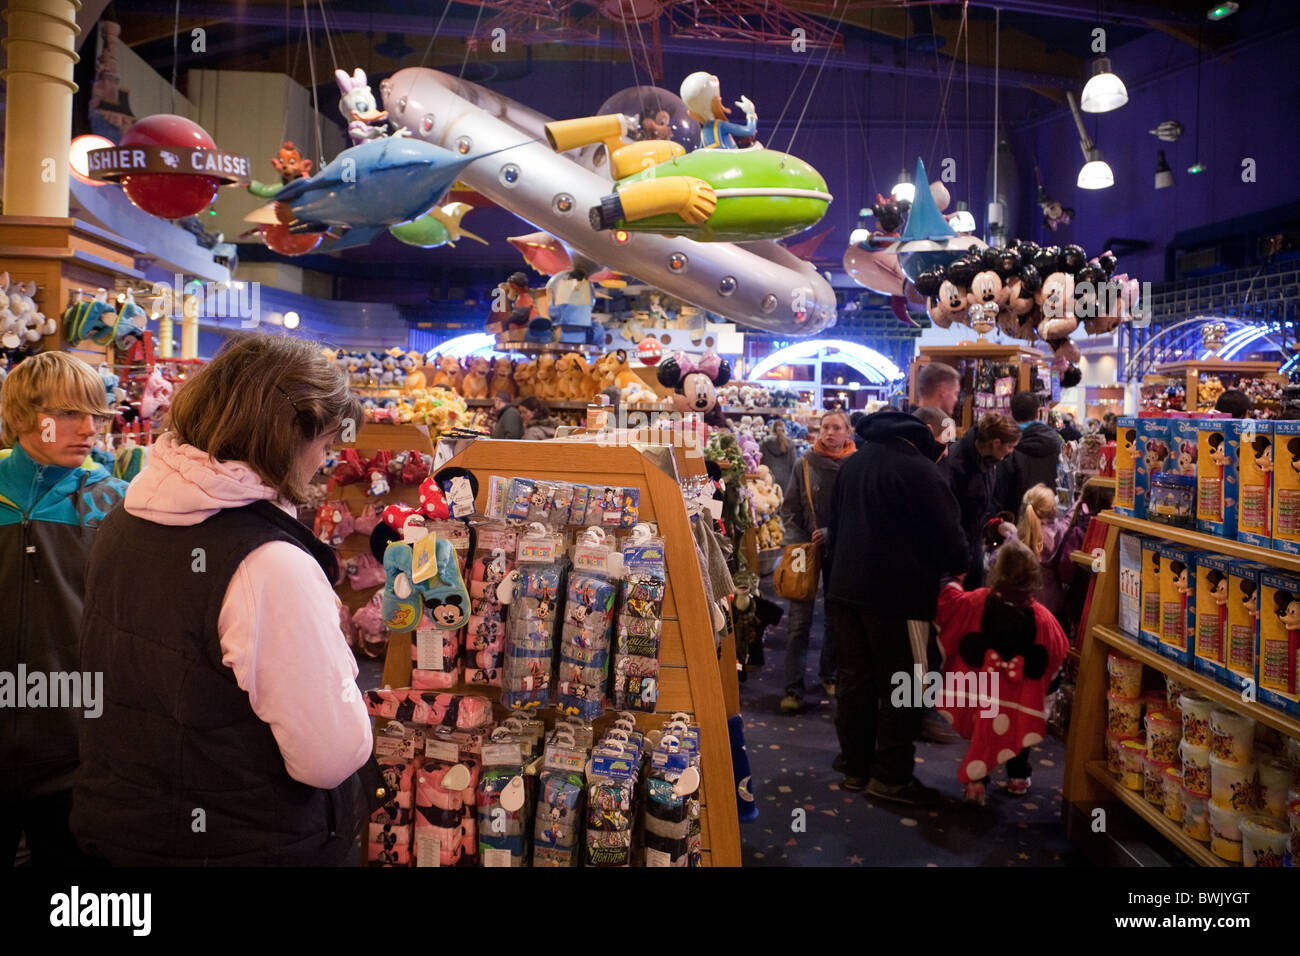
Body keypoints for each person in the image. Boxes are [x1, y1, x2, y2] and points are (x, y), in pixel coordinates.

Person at [72, 335, 374, 865]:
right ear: (286, 437)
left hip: (127, 824)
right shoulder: (269, 564)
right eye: (324, 443)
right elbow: (327, 757)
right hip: (245, 841)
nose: (325, 462)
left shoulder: (125, 518)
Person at [1, 353, 127, 866]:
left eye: (97, 415)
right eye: (73, 414)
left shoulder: (116, 504)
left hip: (77, 751)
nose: (90, 429)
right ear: (28, 414)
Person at [827, 409, 968, 803]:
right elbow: (950, 541)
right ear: (928, 434)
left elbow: (834, 526)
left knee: (855, 682)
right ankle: (890, 776)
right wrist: (961, 564)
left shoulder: (854, 463)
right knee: (905, 686)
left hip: (846, 589)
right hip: (899, 595)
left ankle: (855, 766)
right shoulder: (920, 471)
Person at [933, 539, 1068, 804]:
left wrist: (951, 580)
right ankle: (1018, 777)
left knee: (982, 733)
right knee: (1019, 733)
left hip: (985, 692)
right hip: (1021, 698)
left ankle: (976, 782)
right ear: (1033, 576)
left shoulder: (977, 601)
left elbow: (949, 607)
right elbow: (1056, 653)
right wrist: (1048, 693)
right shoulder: (1043, 619)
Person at [779, 410, 854, 713]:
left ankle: (829, 673)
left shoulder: (856, 466)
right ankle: (793, 687)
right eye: (825, 427)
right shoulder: (804, 464)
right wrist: (801, 540)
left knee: (836, 617)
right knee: (799, 620)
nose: (830, 433)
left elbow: (858, 511)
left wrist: (832, 533)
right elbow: (790, 509)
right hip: (804, 549)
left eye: (837, 427)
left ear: (848, 432)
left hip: (843, 549)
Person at [944, 412, 1021, 589]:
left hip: (973, 547)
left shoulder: (989, 461)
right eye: (1010, 446)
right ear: (995, 443)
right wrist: (961, 559)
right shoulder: (957, 464)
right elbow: (951, 517)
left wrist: (996, 525)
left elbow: (980, 508)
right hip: (956, 555)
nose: (1011, 452)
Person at [994, 391, 1062, 515]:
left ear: (1012, 414)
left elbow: (1001, 489)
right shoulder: (1055, 440)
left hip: (1016, 519)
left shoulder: (1007, 444)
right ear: (1038, 412)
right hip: (1047, 514)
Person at [1017, 483, 1070, 619]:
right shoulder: (1056, 533)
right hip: (1051, 607)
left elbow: (994, 560)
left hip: (1022, 605)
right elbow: (1067, 523)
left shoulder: (1016, 536)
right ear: (1053, 510)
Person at [760, 418, 797, 491]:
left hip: (768, 479)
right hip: (786, 481)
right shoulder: (790, 444)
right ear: (784, 429)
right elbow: (793, 464)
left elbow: (761, 462)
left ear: (772, 429)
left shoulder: (765, 443)